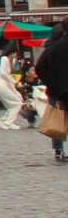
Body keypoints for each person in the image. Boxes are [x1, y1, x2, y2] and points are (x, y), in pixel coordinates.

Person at [37, 23, 68, 163]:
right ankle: (59, 150)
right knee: (58, 119)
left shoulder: (51, 48)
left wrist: (50, 83)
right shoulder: (54, 48)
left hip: (55, 90)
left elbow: (39, 68)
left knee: (57, 119)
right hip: (58, 90)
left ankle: (58, 150)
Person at [0, 48, 26, 130]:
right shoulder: (5, 58)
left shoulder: (7, 60)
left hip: (1, 85)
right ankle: (8, 122)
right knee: (16, 103)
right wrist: (14, 82)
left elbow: (7, 78)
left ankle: (3, 122)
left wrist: (16, 92)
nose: (16, 56)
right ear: (12, 53)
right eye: (16, 53)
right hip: (0, 85)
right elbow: (3, 73)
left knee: (11, 104)